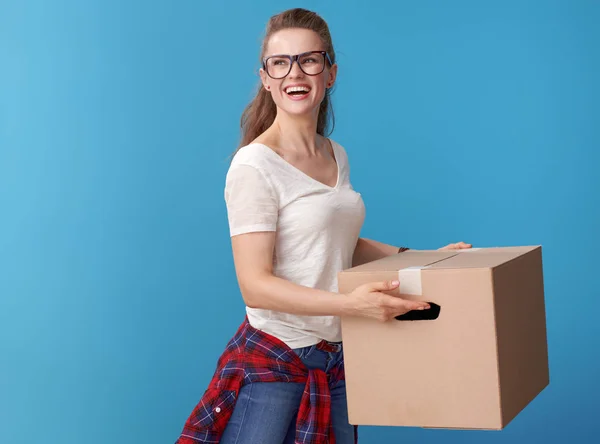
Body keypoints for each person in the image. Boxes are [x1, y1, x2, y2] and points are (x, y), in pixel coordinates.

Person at [175, 8, 471, 444]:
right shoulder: (255, 165)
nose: (295, 72)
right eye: (281, 62)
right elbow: (254, 285)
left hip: (336, 359)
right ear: (266, 77)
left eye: (309, 60)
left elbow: (336, 244)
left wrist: (427, 259)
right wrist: (354, 306)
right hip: (276, 361)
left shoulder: (335, 154)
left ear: (330, 73)